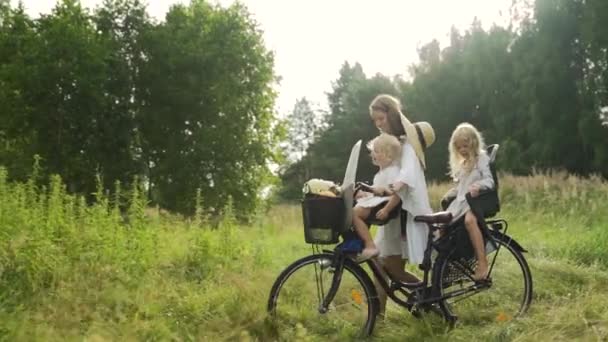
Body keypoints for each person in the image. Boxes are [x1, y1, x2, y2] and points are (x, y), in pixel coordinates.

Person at [363, 94, 436, 316]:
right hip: (393, 214)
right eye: (375, 120)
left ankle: (429, 301)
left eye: (381, 118)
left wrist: (393, 188)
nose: (378, 124)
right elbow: (385, 175)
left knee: (390, 268)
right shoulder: (391, 144)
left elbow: (406, 174)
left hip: (402, 215)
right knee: (381, 267)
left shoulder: (406, 145)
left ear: (391, 115)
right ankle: (379, 317)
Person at [444, 123, 495, 281]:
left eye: (465, 146)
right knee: (442, 226)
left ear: (473, 143)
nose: (463, 150)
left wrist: (478, 186)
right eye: (459, 148)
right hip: (462, 201)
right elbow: (460, 187)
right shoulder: (463, 163)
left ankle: (482, 262)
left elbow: (490, 180)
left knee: (470, 220)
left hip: (476, 200)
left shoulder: (481, 158)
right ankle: (450, 265)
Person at [352, 133, 402, 261]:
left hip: (385, 205)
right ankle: (362, 243)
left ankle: (369, 245)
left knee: (355, 213)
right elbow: (376, 191)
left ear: (389, 155)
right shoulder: (380, 174)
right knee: (354, 211)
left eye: (377, 151)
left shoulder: (393, 171)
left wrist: (387, 210)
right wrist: (364, 194)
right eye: (373, 151)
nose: (373, 154)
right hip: (379, 202)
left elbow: (397, 193)